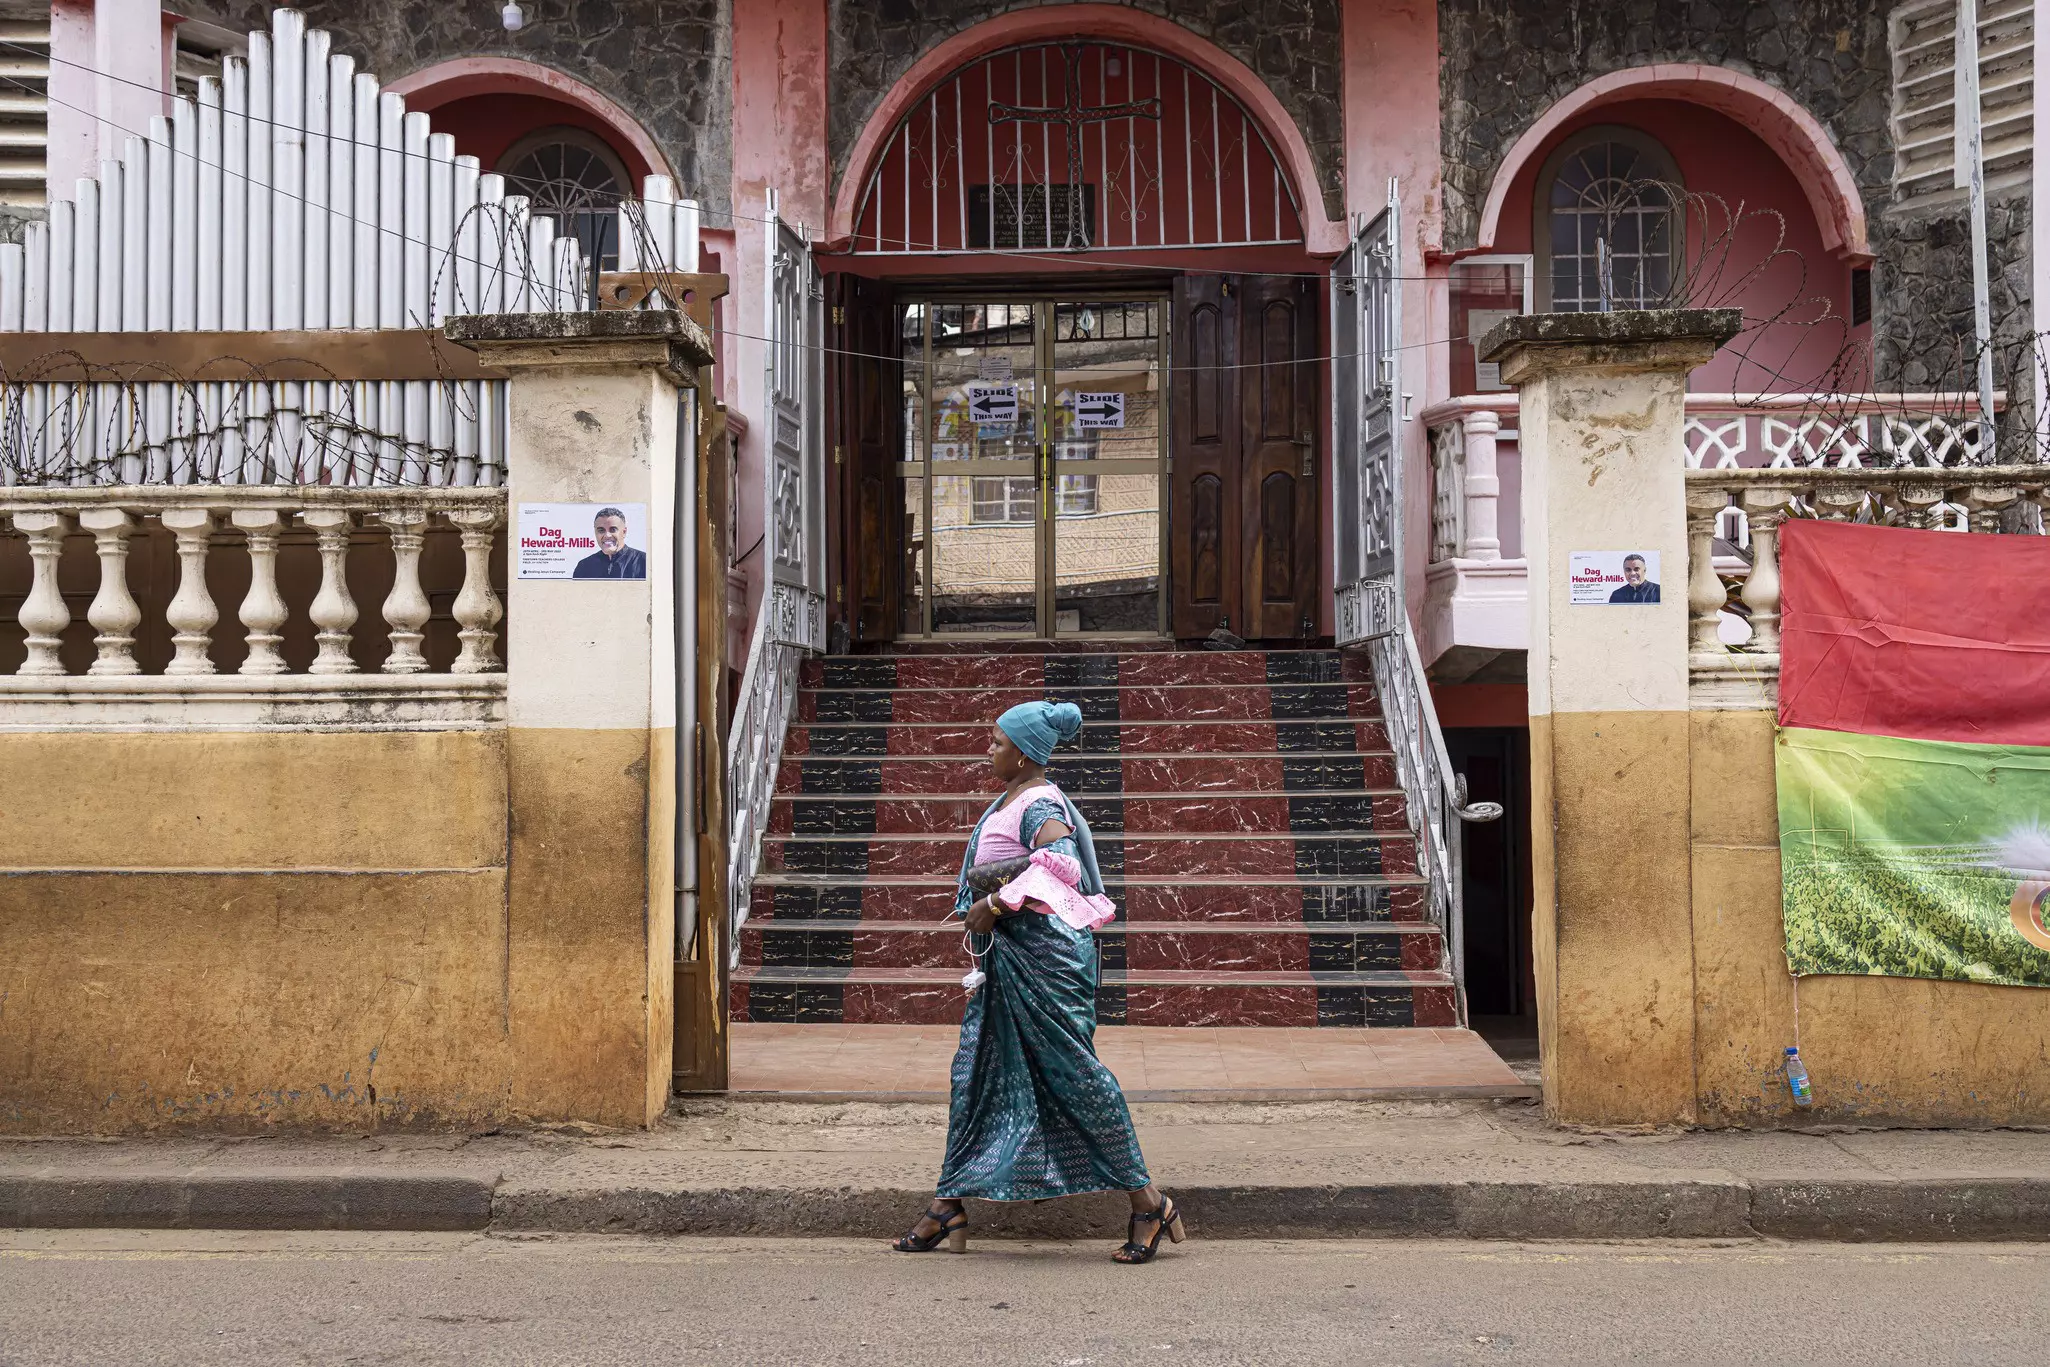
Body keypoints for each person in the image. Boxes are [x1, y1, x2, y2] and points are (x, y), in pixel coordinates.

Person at [889, 699, 1185, 1265]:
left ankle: (1150, 1203)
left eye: (997, 741)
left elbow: (1061, 866)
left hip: (1044, 959)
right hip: (1011, 957)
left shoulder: (1040, 802)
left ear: (1023, 751)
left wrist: (997, 902)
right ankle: (947, 1203)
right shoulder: (1013, 799)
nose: (989, 749)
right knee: (974, 1072)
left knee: (1074, 1077)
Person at [572, 507, 646, 579]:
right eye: (601, 530)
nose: (607, 535)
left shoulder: (644, 562)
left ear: (624, 532)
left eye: (613, 529)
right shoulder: (584, 566)